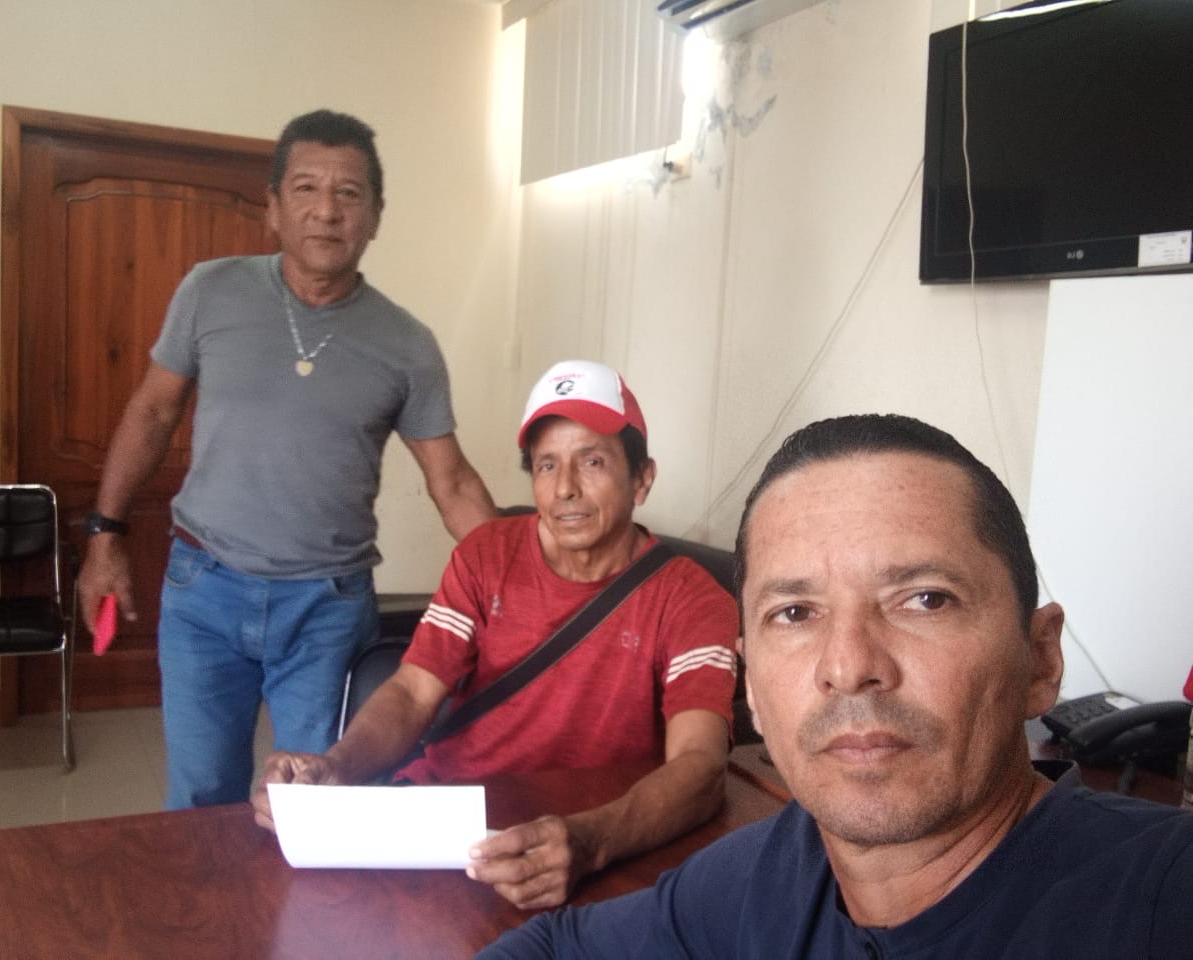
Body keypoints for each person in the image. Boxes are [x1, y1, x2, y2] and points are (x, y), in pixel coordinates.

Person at [479, 413, 1193, 958]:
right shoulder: (763, 877)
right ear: (751, 687)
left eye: (925, 599)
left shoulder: (1160, 899)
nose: (849, 666)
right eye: (795, 613)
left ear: (1039, 661)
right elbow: (553, 947)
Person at [77, 110, 496, 810]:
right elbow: (151, 413)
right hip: (204, 589)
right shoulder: (210, 290)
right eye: (306, 188)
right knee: (201, 799)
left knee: (318, 801)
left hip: (326, 608)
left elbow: (451, 482)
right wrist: (104, 537)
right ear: (273, 206)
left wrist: (525, 585)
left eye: (349, 194)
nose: (327, 211)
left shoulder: (406, 344)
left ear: (375, 216)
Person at [252, 359, 739, 910]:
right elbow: (414, 691)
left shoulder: (694, 600)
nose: (565, 489)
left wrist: (593, 841)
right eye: (547, 465)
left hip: (591, 830)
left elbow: (700, 765)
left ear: (642, 479)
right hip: (449, 823)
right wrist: (337, 768)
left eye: (593, 461)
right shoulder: (486, 556)